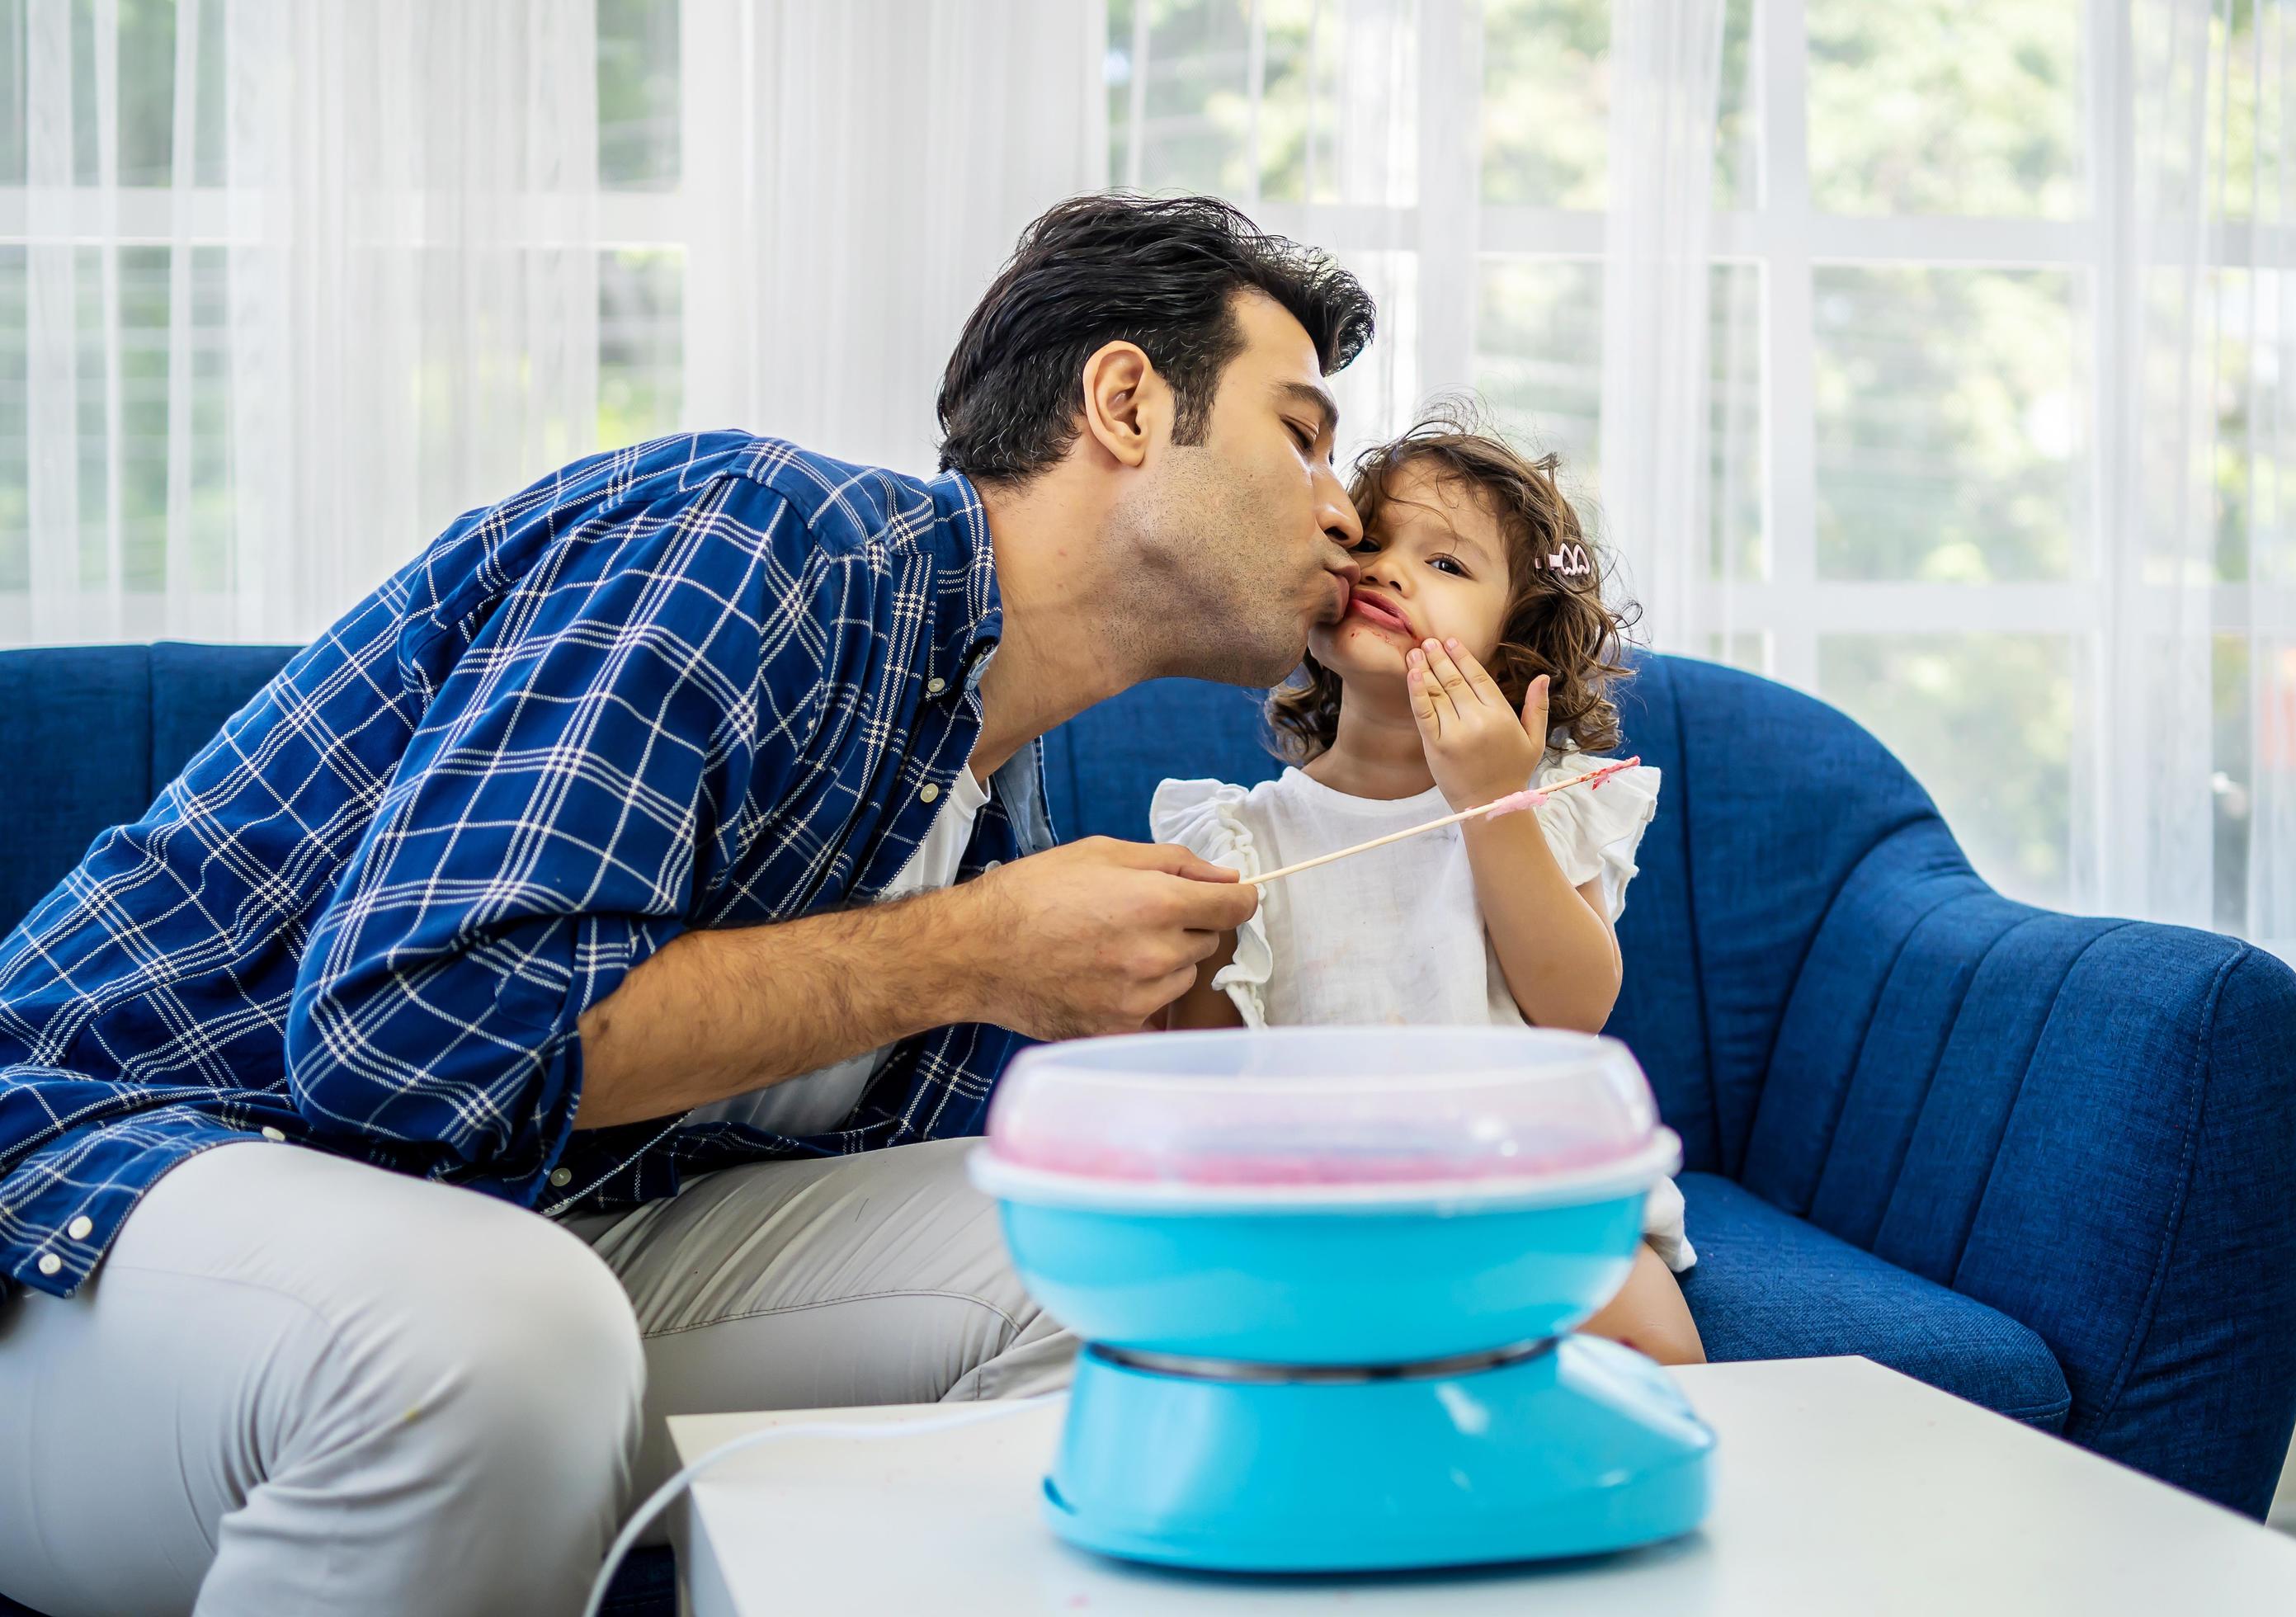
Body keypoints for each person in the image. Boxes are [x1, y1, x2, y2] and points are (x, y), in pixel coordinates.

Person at [0, 194, 1374, 1617]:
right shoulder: (765, 538)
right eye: (1302, 433)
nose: (1348, 506)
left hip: (542, 1248)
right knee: (504, 1334)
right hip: (98, 1219)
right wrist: (967, 957)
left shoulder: (1000, 811)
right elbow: (406, 1039)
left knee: (1157, 1271)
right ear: (1126, 401)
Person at [1153, 412, 1704, 1365]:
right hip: (1316, 1212)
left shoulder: (1542, 801)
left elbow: (1575, 1004)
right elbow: (1204, 1073)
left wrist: (1491, 799)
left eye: (1447, 565)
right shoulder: (1239, 833)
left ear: (1515, 648)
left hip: (1525, 1196)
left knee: (1657, 1344)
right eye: (1369, 541)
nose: (1388, 570)